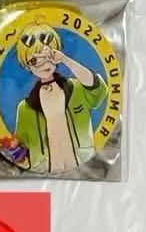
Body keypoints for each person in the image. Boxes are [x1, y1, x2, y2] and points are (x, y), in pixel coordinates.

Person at [12, 25, 106, 174]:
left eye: (48, 55)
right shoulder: (25, 108)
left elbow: (98, 88)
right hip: (43, 174)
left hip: (84, 167)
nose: (43, 64)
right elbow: (18, 148)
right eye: (34, 60)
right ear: (27, 66)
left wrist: (65, 60)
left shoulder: (76, 89)